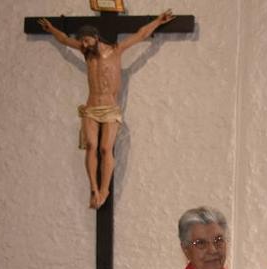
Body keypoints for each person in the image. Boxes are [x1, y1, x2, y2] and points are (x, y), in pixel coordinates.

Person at [36, 11, 176, 208]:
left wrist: (157, 22)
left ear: (95, 37)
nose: (83, 45)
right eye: (82, 42)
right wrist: (51, 29)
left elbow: (140, 35)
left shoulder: (116, 50)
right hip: (91, 107)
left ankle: (104, 189)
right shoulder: (87, 54)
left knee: (105, 148)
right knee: (91, 147)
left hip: (110, 108)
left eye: (86, 40)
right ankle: (94, 188)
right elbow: (66, 41)